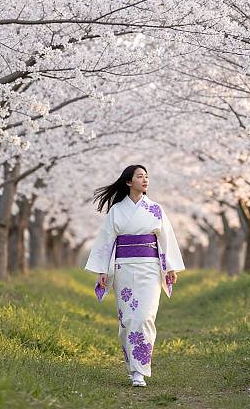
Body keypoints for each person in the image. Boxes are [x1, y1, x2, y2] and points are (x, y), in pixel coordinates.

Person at [84, 164, 185, 387]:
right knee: (128, 319)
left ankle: (140, 370)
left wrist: (170, 267)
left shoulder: (156, 209)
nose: (145, 180)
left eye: (147, 176)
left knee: (145, 317)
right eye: (140, 176)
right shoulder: (116, 211)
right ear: (129, 182)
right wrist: (102, 271)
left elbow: (166, 238)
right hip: (124, 268)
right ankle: (132, 367)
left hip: (149, 268)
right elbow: (106, 241)